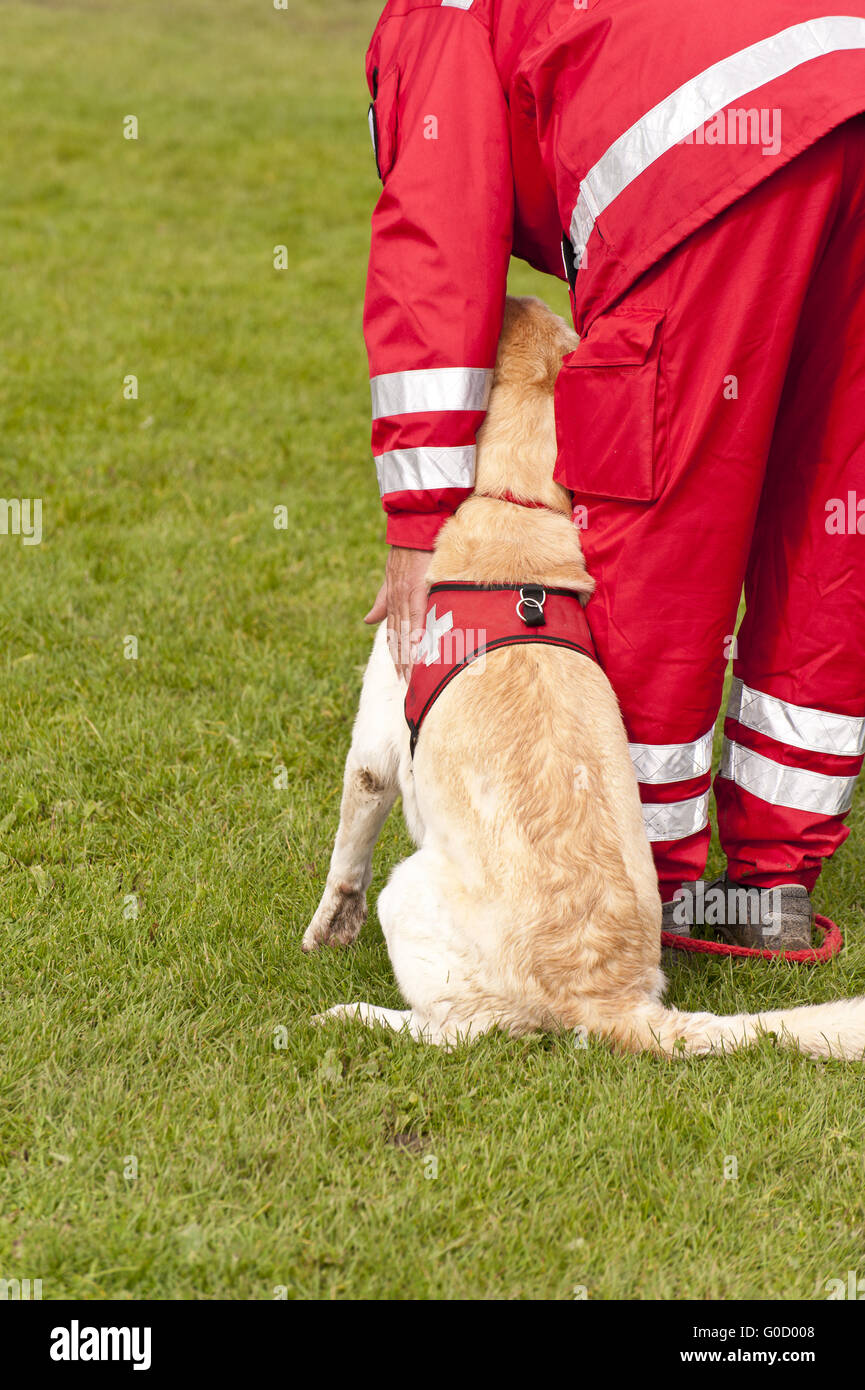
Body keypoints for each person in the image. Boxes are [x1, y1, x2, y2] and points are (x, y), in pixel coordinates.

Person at [360, 0, 865, 949]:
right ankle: (771, 890)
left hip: (710, 148)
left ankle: (639, 881)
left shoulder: (433, 16)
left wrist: (418, 516)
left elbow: (438, 247)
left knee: (662, 521)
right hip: (845, 74)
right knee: (833, 508)